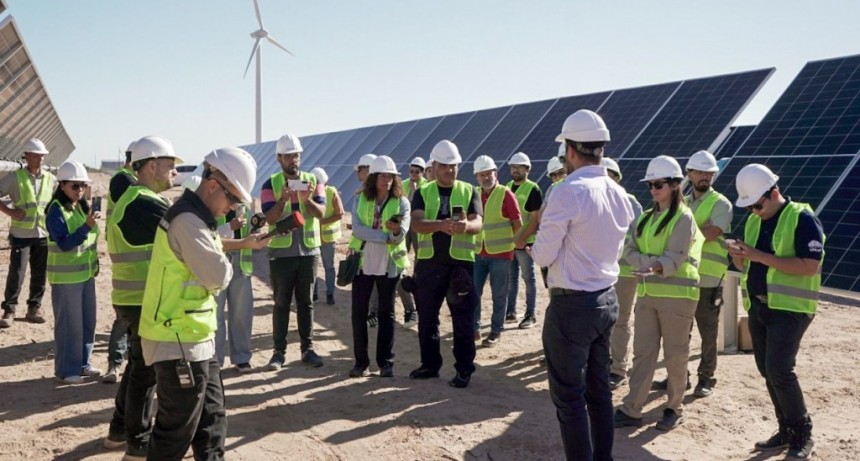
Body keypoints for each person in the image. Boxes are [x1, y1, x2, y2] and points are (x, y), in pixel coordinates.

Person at [138, 147, 267, 460]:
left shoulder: (199, 218)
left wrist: (241, 243)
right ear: (213, 186)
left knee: (212, 423)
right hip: (177, 340)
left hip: (196, 338)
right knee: (176, 432)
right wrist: (226, 262)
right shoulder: (187, 221)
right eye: (233, 200)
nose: (234, 209)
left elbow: (211, 249)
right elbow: (217, 276)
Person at [532, 110, 633, 461]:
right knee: (599, 393)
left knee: (569, 399)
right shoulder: (620, 194)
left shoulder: (566, 191)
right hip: (606, 301)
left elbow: (543, 256)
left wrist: (537, 241)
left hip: (572, 306)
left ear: (572, 150)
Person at [729, 164, 823, 459]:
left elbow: (810, 266)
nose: (755, 211)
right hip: (759, 306)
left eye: (758, 205)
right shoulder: (755, 221)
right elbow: (749, 267)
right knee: (767, 370)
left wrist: (758, 255)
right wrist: (740, 257)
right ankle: (787, 430)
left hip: (791, 309)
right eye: (750, 207)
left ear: (774, 193)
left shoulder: (802, 218)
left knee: (780, 370)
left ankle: (802, 433)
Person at [103, 135, 180, 458]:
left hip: (131, 297)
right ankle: (138, 444)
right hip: (141, 298)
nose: (174, 173)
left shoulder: (135, 198)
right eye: (170, 166)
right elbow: (185, 236)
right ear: (151, 166)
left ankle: (119, 431)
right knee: (145, 375)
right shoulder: (145, 202)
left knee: (138, 368)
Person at [615, 155, 703, 432]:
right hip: (647, 293)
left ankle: (673, 408)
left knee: (675, 354)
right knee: (644, 353)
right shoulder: (643, 219)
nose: (653, 189)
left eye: (659, 184)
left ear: (675, 185)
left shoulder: (684, 217)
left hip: (678, 297)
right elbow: (626, 250)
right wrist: (648, 262)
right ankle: (632, 408)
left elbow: (674, 256)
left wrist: (649, 262)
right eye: (651, 184)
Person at [652, 150, 732, 398]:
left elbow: (710, 233)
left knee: (708, 332)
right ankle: (679, 377)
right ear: (689, 174)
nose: (704, 176)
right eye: (699, 172)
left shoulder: (721, 203)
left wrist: (680, 234)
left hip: (708, 278)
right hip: (684, 277)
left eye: (709, 173)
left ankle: (706, 378)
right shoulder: (683, 202)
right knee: (679, 333)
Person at [410, 140, 482, 388]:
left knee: (462, 320)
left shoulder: (469, 190)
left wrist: (465, 227)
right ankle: (430, 365)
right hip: (430, 266)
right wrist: (440, 225)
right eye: (445, 166)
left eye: (454, 166)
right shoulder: (422, 192)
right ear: (434, 166)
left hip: (460, 267)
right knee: (428, 319)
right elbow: (417, 223)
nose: (450, 170)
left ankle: (464, 369)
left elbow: (477, 223)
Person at [263, 134, 327, 370]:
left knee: (306, 303)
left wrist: (305, 200)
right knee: (281, 303)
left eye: (296, 155)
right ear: (279, 158)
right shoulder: (270, 184)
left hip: (309, 252)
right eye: (288, 155)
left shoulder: (313, 180)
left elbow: (321, 214)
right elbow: (269, 217)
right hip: (281, 254)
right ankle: (278, 353)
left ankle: (307, 349)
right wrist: (282, 201)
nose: (293, 159)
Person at [348, 155, 411, 377]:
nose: (387, 180)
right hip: (363, 264)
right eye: (383, 176)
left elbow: (400, 235)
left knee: (387, 314)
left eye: (391, 176)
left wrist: (393, 233)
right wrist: (385, 235)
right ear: (373, 178)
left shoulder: (402, 202)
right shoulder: (360, 199)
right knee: (359, 314)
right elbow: (357, 230)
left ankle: (386, 363)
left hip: (389, 265)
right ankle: (361, 362)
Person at [45, 160, 101, 384]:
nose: (79, 190)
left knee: (88, 322)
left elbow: (90, 242)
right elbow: (65, 244)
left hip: (86, 274)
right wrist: (87, 226)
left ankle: (83, 364)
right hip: (66, 278)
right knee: (70, 325)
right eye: (74, 186)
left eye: (82, 186)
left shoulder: (80, 207)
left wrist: (94, 264)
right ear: (62, 186)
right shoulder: (55, 210)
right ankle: (67, 370)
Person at [0, 138, 56, 328]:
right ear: (26, 156)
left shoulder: (50, 179)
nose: (40, 159)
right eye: (36, 155)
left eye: (42, 155)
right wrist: (10, 211)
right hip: (21, 234)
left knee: (40, 273)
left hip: (42, 233)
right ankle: (9, 309)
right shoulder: (16, 177)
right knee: (17, 272)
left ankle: (34, 307)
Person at [471, 155, 521, 347]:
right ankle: (474, 328)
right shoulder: (474, 193)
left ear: (495, 173)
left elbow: (518, 224)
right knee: (474, 293)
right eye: (481, 174)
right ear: (476, 177)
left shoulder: (506, 194)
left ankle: (495, 330)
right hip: (478, 252)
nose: (485, 177)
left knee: (499, 294)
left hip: (500, 254)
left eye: (488, 173)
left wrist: (513, 246)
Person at [604, 157, 644, 391]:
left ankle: (619, 368)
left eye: (610, 176)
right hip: (603, 271)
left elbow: (640, 236)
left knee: (620, 320)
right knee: (603, 320)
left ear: (617, 178)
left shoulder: (630, 202)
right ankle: (607, 361)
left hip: (625, 272)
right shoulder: (595, 201)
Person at [103, 140, 138, 384]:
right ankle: (114, 364)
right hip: (126, 251)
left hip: (133, 251)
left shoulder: (128, 180)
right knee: (124, 312)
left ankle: (124, 363)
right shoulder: (124, 180)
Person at [214, 203, 256, 372]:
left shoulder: (244, 207)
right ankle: (215, 361)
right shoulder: (211, 206)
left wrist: (256, 231)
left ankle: (242, 358)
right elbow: (206, 237)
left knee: (241, 314)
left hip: (241, 265)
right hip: (218, 264)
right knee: (216, 316)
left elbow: (250, 234)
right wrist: (230, 226)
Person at [506, 151, 542, 329]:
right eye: (513, 167)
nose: (515, 170)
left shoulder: (533, 189)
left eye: (519, 167)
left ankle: (530, 314)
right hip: (510, 244)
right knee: (511, 278)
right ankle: (510, 311)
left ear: (527, 169)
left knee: (529, 278)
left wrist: (523, 239)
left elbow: (535, 219)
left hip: (525, 243)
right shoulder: (506, 187)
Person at [349, 153, 382, 326]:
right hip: (363, 247)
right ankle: (373, 313)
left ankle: (374, 313)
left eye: (360, 169)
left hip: (376, 248)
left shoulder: (380, 196)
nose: (357, 173)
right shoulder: (360, 195)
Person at [397, 157, 427, 327]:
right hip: (405, 225)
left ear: (422, 172)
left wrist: (416, 191)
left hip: (417, 225)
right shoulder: (404, 184)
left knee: (419, 252)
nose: (414, 174)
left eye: (417, 171)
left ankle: (416, 278)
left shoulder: (426, 185)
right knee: (403, 250)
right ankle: (403, 276)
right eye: (411, 171)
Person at [312, 167, 343, 306]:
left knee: (328, 267)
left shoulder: (331, 192)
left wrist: (322, 221)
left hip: (327, 238)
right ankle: (314, 294)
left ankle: (330, 294)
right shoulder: (307, 194)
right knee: (313, 267)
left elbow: (340, 213)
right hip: (313, 237)